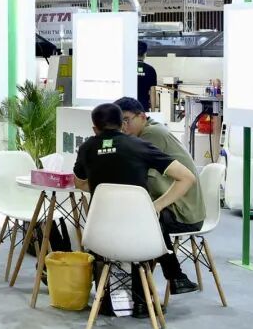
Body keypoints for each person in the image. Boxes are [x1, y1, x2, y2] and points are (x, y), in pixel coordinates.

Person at [73, 103, 197, 318]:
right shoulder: (140, 146)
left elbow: (79, 183)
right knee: (148, 229)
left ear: (95, 128)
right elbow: (187, 177)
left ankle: (105, 302)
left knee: (115, 246)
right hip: (139, 235)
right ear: (122, 124)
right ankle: (144, 302)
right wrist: (157, 205)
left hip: (99, 236)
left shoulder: (86, 148)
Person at [114, 97, 205, 296]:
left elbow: (134, 172)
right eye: (120, 122)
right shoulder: (148, 132)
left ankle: (144, 293)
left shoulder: (151, 134)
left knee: (144, 222)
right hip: (173, 204)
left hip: (184, 210)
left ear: (142, 116)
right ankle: (171, 279)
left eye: (127, 120)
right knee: (144, 219)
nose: (124, 127)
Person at [137, 40, 158, 111]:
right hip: (143, 107)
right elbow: (152, 92)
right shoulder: (150, 69)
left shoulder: (127, 68)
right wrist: (153, 111)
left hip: (128, 107)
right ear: (145, 53)